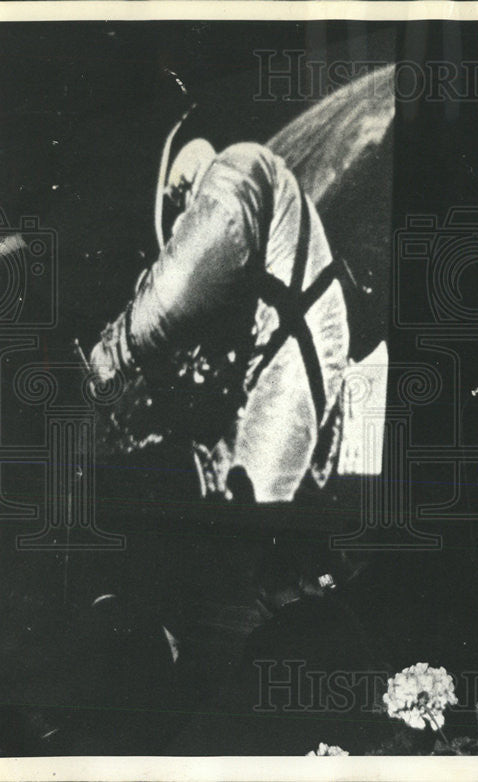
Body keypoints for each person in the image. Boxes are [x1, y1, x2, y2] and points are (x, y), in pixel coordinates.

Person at [89, 137, 358, 605]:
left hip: (296, 358)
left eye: (179, 201)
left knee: (251, 546)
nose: (179, 218)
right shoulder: (256, 215)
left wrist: (115, 351)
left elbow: (188, 271)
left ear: (187, 180)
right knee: (255, 545)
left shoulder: (240, 167)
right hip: (287, 360)